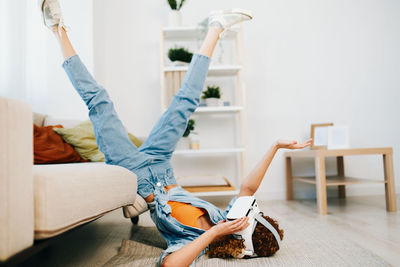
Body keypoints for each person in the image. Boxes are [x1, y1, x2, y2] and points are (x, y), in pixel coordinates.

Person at [40, 1, 312, 266]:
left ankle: (57, 29)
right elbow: (248, 188)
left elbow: (171, 264)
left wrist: (213, 234)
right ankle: (216, 28)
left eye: (248, 219)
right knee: (185, 101)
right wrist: (275, 146)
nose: (244, 213)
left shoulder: (193, 240)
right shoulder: (222, 216)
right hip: (161, 164)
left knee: (99, 102)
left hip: (136, 175)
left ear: (241, 236)